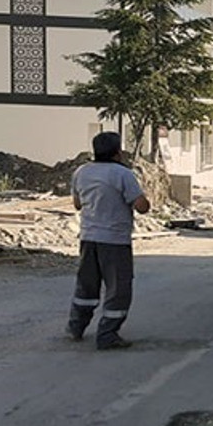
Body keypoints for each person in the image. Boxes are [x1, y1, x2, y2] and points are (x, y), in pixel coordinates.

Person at [66, 132, 151, 350]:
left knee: (86, 286)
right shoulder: (122, 174)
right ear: (117, 152)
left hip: (88, 238)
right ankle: (107, 334)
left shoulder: (81, 172)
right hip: (115, 240)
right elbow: (141, 206)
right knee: (118, 288)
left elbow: (77, 204)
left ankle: (76, 327)